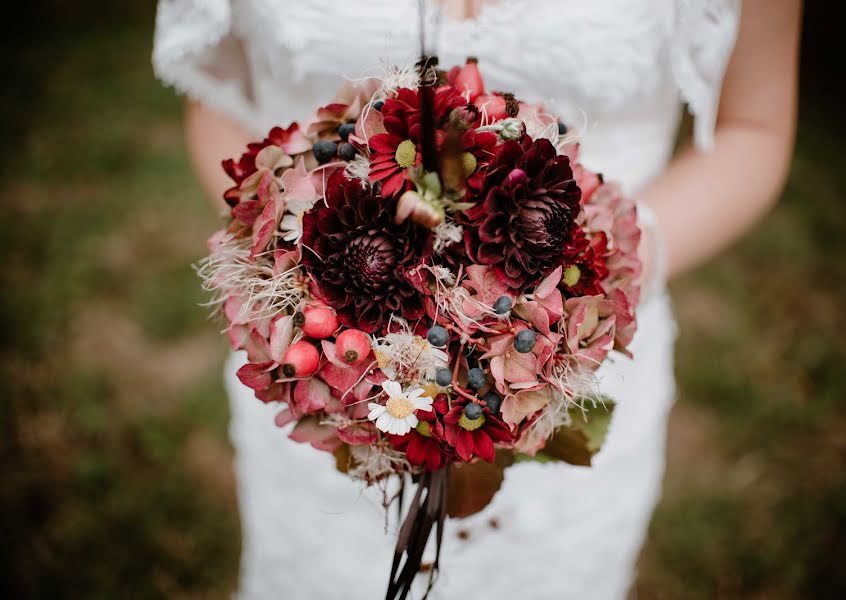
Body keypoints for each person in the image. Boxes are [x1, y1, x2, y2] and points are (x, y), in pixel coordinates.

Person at [153, 0, 801, 597]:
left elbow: (754, 126)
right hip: (329, 370)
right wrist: (286, 266)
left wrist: (595, 283)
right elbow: (217, 96)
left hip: (570, 363)